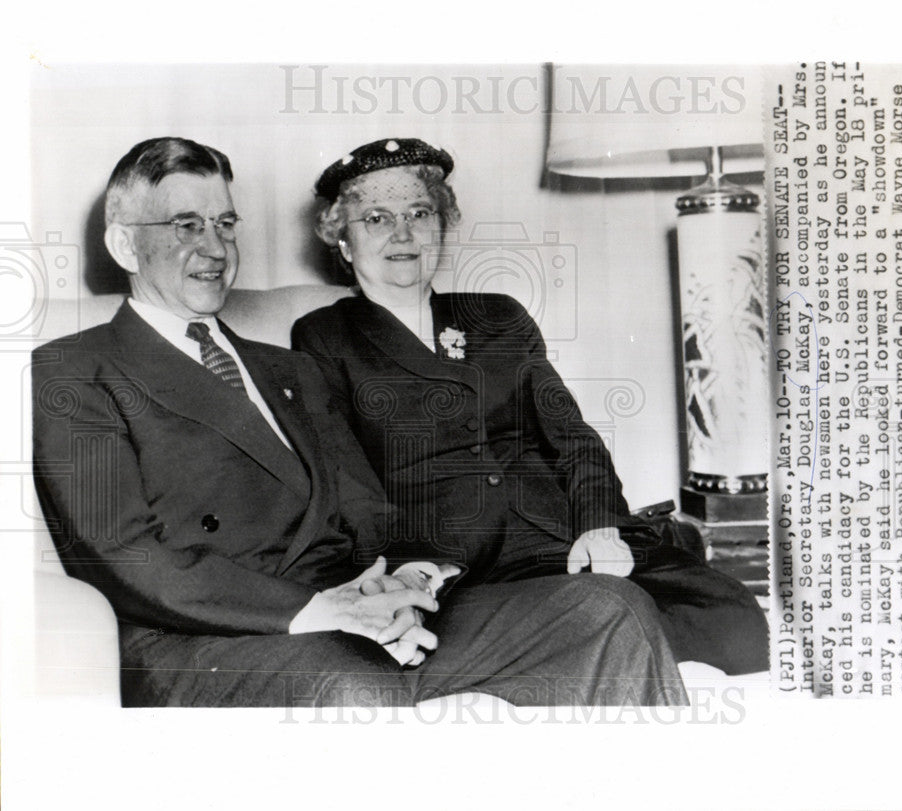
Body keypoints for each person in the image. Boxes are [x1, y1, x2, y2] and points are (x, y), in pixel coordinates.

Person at [32, 136, 688, 707]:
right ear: (124, 243)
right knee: (360, 691)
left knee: (609, 611)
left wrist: (403, 579)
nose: (214, 246)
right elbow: (126, 554)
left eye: (225, 223)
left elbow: (367, 509)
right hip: (208, 635)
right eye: (185, 225)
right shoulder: (73, 369)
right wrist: (320, 608)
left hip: (350, 612)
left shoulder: (287, 367)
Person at [292, 137, 769, 676]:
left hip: (568, 532)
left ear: (441, 227)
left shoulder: (497, 315)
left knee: (730, 613)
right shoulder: (325, 335)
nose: (402, 233)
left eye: (419, 213)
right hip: (464, 566)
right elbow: (346, 478)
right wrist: (406, 567)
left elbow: (572, 436)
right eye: (376, 218)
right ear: (344, 241)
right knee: (618, 625)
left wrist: (600, 524)